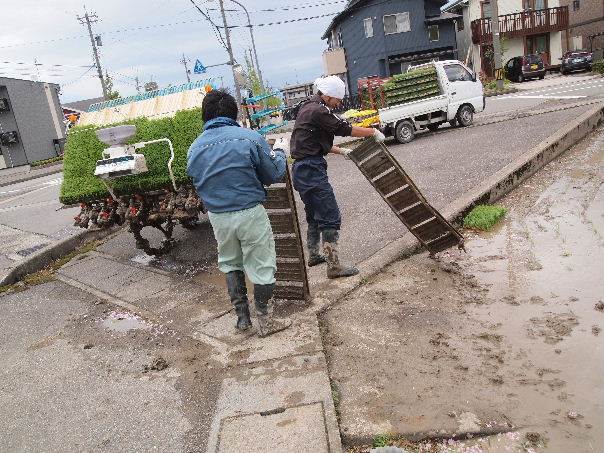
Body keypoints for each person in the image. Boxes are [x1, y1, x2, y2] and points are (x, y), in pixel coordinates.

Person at [187, 89, 290, 337]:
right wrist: (281, 152)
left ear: (205, 116)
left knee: (230, 263)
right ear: (234, 113)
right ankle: (266, 321)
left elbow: (196, 179)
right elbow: (274, 174)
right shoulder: (249, 138)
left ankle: (243, 319)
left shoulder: (194, 148)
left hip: (218, 217)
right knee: (263, 267)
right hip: (249, 213)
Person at [286, 76, 386, 279]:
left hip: (302, 169)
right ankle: (334, 266)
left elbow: (313, 142)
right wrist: (372, 131)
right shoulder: (319, 110)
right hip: (311, 170)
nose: (339, 103)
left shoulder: (308, 108)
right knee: (330, 215)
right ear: (329, 95)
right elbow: (345, 129)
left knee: (314, 213)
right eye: (338, 100)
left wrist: (341, 151)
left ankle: (314, 255)